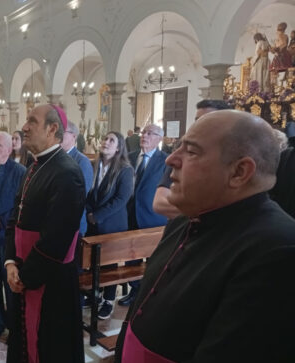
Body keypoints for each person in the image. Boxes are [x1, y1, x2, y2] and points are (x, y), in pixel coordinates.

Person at [102, 110, 295, 363]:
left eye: (190, 151)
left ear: (239, 172)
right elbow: (139, 311)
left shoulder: (280, 250)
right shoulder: (185, 220)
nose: (171, 159)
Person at [3, 104, 87, 363]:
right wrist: (10, 263)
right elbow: (14, 219)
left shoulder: (67, 172)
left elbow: (56, 239)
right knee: (24, 345)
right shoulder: (33, 167)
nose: (24, 126)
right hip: (24, 273)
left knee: (50, 353)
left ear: (52, 129)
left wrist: (25, 275)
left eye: (32, 121)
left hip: (50, 283)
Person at [153, 99, 231, 219]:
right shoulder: (182, 151)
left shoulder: (234, 155)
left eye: (206, 121)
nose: (199, 126)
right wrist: (213, 216)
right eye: (197, 121)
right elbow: (160, 203)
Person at [85, 131, 133, 319]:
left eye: (111, 140)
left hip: (112, 223)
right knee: (93, 263)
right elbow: (87, 192)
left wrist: (97, 216)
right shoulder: (93, 165)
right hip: (92, 221)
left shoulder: (125, 169)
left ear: (119, 147)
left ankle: (108, 300)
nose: (106, 142)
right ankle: (95, 295)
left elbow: (121, 199)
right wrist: (89, 212)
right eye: (105, 139)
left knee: (110, 264)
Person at [0, 132, 26, 343]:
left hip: (9, 238)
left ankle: (15, 327)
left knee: (11, 284)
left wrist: (3, 221)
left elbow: (24, 207)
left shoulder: (20, 173)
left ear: (9, 150)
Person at [119, 124, 167, 307]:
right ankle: (135, 291)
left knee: (155, 260)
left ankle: (151, 294)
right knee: (132, 257)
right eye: (143, 132)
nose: (144, 136)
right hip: (130, 216)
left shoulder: (166, 160)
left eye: (150, 133)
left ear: (159, 139)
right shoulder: (129, 157)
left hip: (154, 217)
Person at [61, 121, 94, 236]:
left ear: (74, 136)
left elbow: (79, 195)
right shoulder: (55, 158)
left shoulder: (82, 161)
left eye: (62, 132)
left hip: (72, 223)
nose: (58, 135)